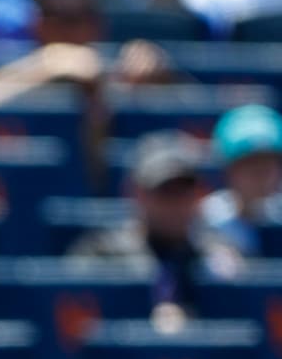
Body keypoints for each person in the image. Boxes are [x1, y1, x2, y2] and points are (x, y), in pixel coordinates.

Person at [69, 130, 241, 324]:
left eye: (184, 192)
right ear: (136, 193)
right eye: (165, 192)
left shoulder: (218, 253)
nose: (175, 204)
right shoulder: (101, 253)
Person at [201, 103, 282, 256]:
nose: (260, 174)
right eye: (250, 163)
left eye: (268, 163)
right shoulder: (205, 219)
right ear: (228, 170)